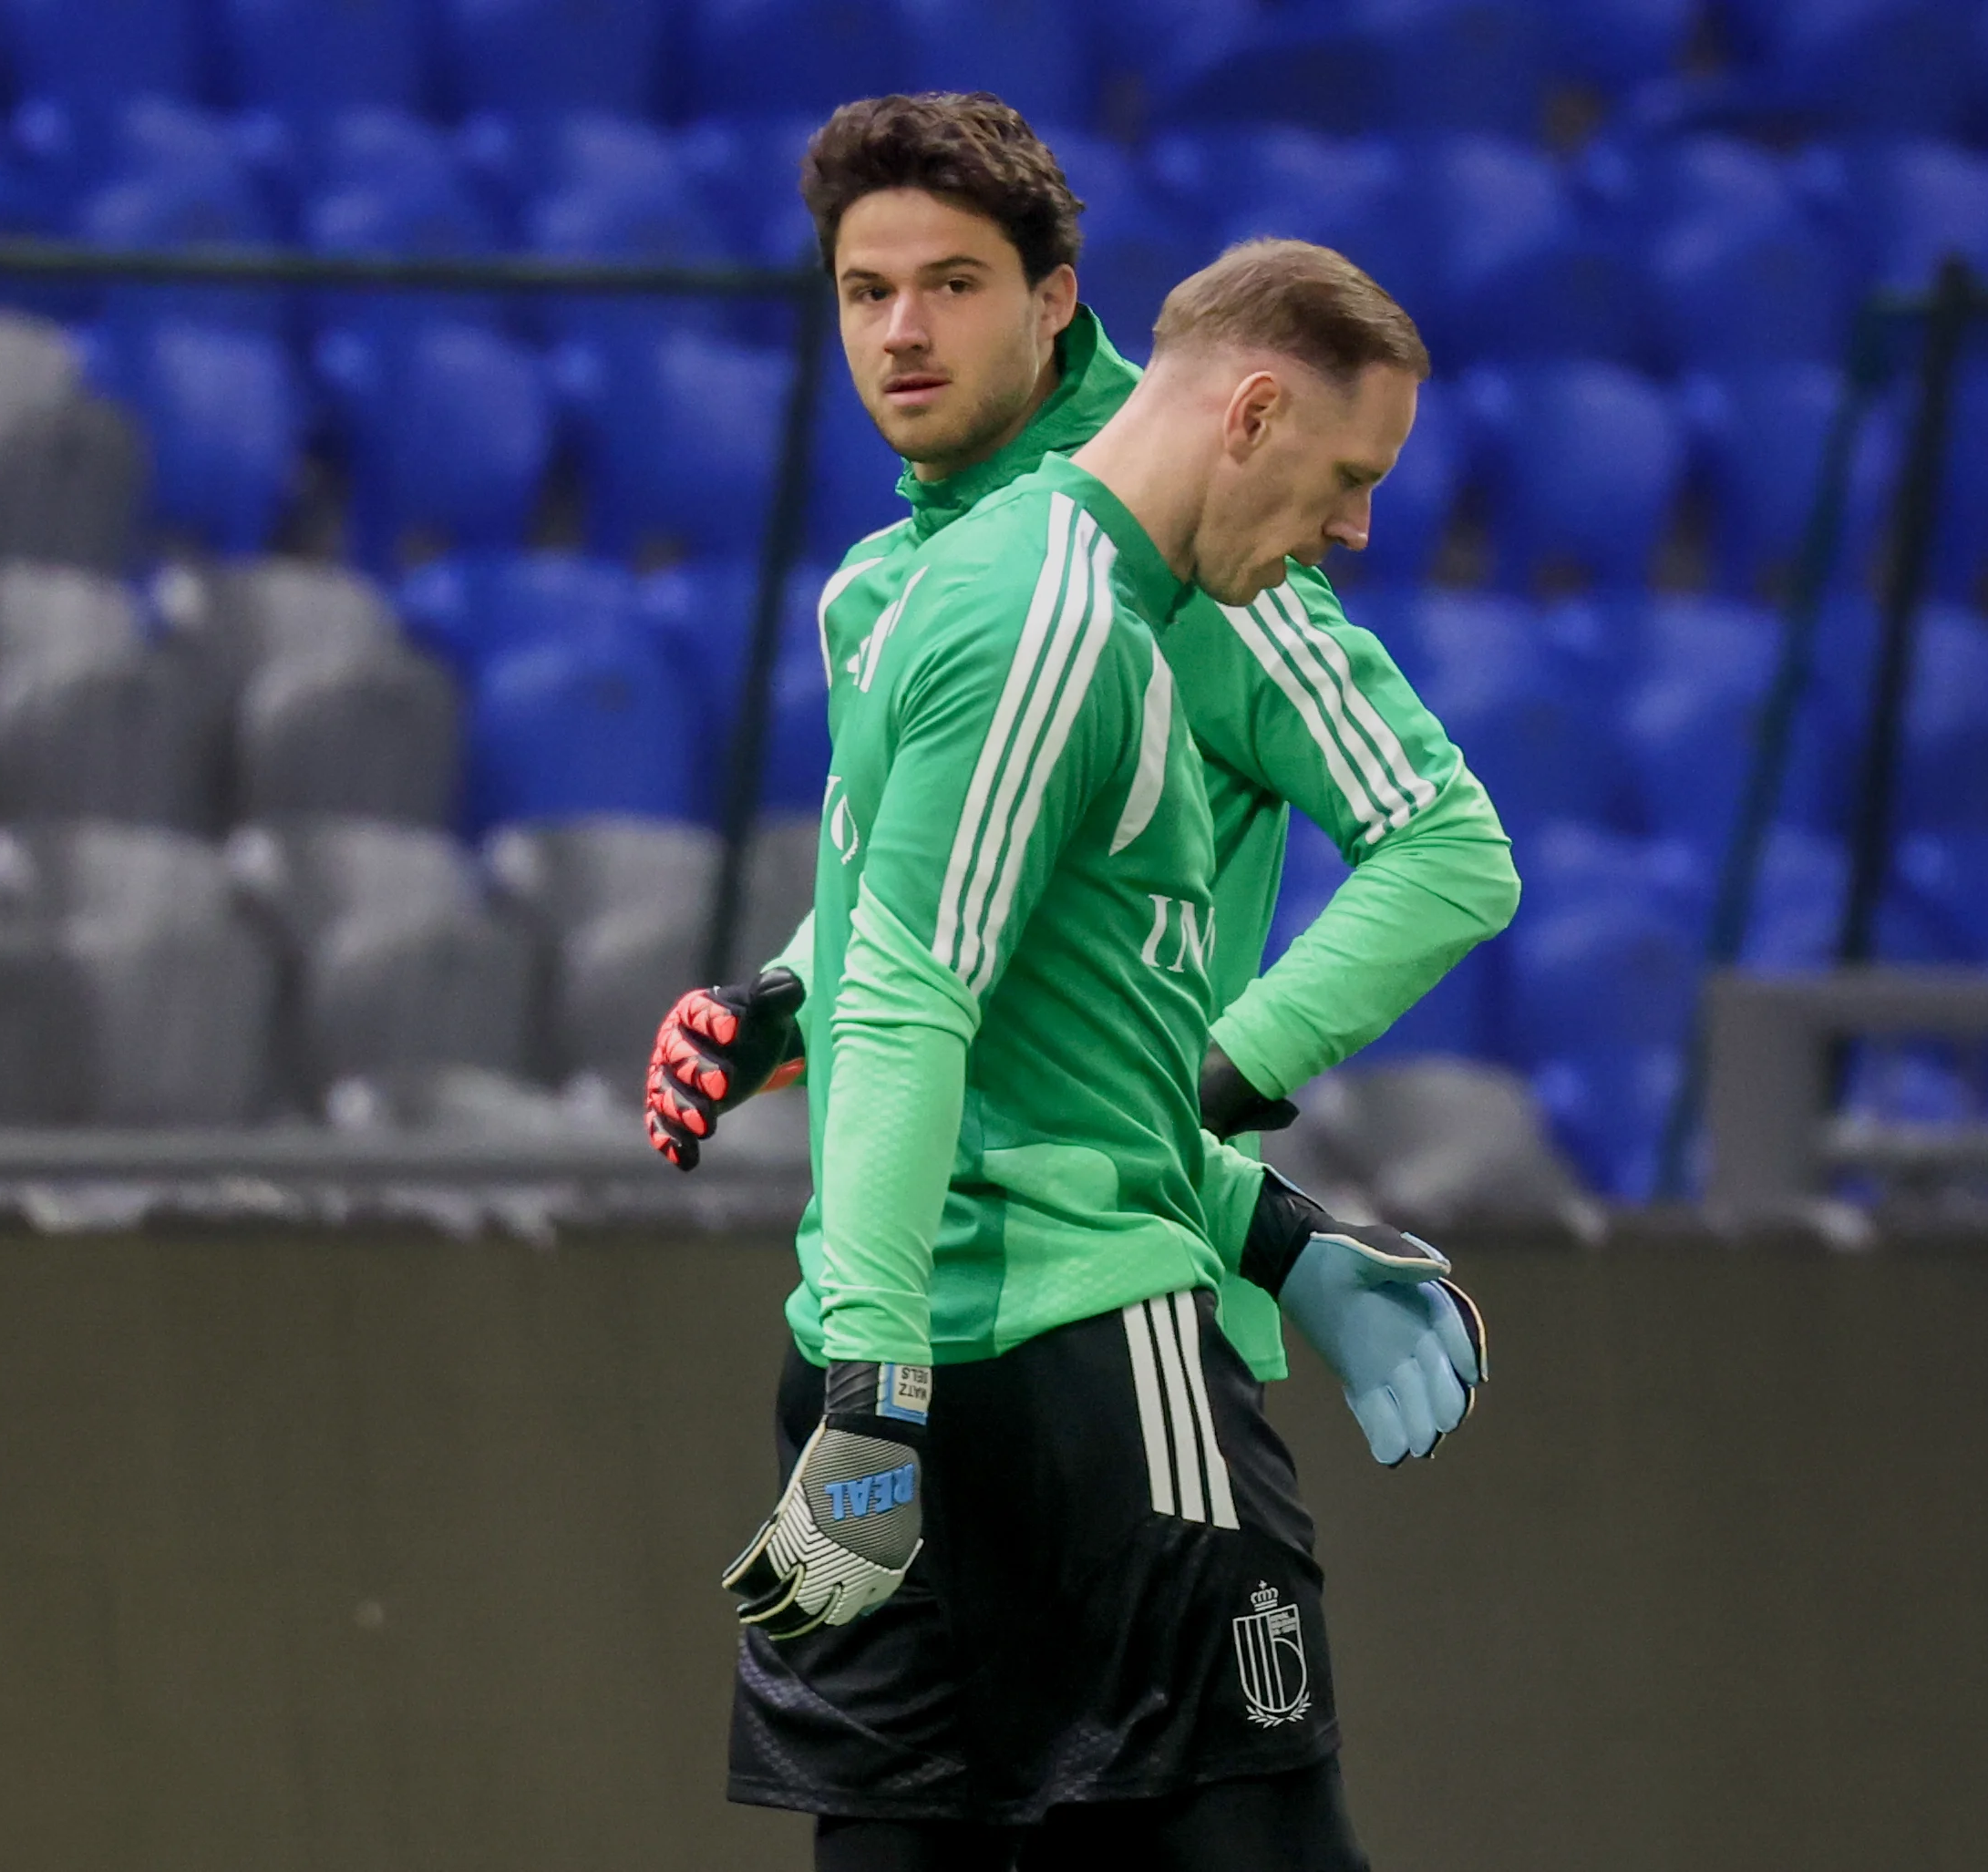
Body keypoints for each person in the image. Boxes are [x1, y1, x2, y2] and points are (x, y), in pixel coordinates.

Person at [708, 212, 1477, 1864]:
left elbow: (955, 1019)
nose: (1352, 530)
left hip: (921, 1328)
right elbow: (912, 1011)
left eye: (944, 288)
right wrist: (878, 1387)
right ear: (1254, 414)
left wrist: (1266, 1227)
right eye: (1350, 474)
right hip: (1078, 1340)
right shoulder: (1065, 618)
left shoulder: (934, 589)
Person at [647, 92, 1520, 1468]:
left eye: (951, 286)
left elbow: (1448, 849)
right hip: (904, 1310)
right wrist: (784, 1006)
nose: (902, 333)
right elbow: (938, 907)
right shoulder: (888, 581)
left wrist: (1210, 1089)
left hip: (1117, 1312)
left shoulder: (1201, 550)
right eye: (863, 292)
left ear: (1054, 300)